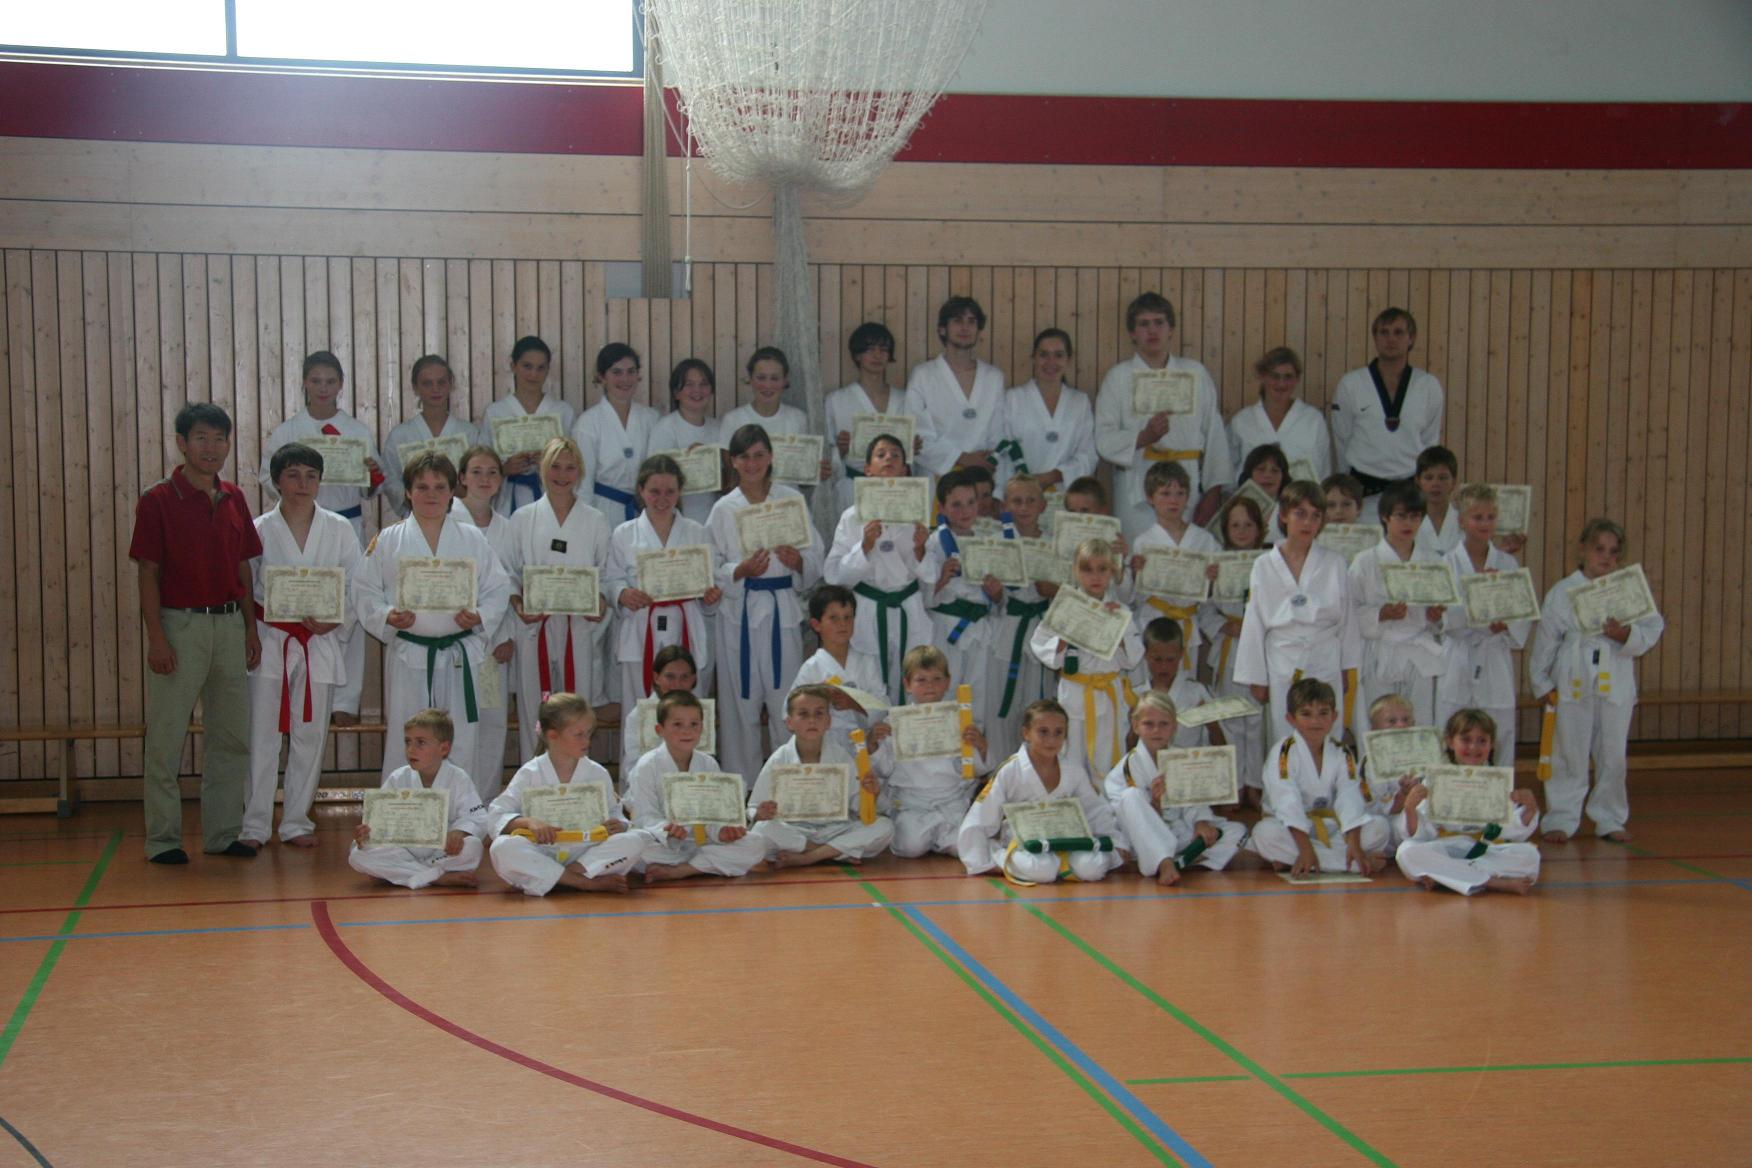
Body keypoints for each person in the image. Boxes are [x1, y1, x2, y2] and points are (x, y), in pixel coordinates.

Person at [130, 402, 263, 863]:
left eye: (219, 439)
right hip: (179, 625)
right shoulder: (157, 499)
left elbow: (243, 566)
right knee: (166, 738)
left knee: (231, 736)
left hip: (229, 625)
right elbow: (147, 572)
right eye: (201, 438)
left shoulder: (234, 497)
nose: (212, 447)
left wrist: (250, 628)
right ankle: (163, 839)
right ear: (181, 443)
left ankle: (222, 833)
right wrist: (157, 638)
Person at [354, 451, 512, 783]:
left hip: (459, 654)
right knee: (406, 735)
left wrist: (480, 616)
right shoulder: (388, 539)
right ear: (408, 492)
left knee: (461, 739)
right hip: (410, 653)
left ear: (453, 491)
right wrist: (387, 615)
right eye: (422, 487)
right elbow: (364, 589)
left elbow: (498, 587)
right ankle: (404, 808)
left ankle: (459, 809)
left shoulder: (472, 538)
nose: (431, 495)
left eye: (440, 487)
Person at [242, 442, 362, 848]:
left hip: (318, 640)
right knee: (262, 735)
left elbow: (356, 584)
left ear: (320, 481)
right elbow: (245, 586)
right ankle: (255, 824)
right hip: (271, 638)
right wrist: (249, 632)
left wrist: (336, 619)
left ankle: (296, 821)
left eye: (311, 475)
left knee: (310, 735)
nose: (303, 483)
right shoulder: (259, 528)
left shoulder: (339, 528)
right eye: (293, 475)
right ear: (277, 481)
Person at [260, 351, 384, 724]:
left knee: (347, 609)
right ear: (304, 382)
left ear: (341, 384)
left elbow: (371, 489)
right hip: (296, 525)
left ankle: (344, 701)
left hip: (344, 525)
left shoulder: (357, 431)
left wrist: (371, 476)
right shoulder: (287, 432)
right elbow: (267, 479)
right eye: (316, 380)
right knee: (301, 608)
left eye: (330, 381)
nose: (323, 388)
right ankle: (294, 690)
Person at [1528, 518, 1666, 843]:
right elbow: (1546, 640)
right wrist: (1542, 682)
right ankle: (1561, 817)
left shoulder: (1629, 588)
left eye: (1614, 552)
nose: (1606, 557)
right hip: (1573, 675)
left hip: (1614, 674)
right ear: (1583, 550)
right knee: (1568, 750)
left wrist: (1625, 634)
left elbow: (1652, 628)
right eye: (1599, 549)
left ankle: (1609, 817)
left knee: (1613, 752)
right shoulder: (1562, 591)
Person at [708, 424, 824, 783]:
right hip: (737, 615)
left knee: (784, 702)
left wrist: (798, 561)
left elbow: (816, 555)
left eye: (759, 455)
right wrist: (738, 570)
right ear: (733, 461)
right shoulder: (723, 509)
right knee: (738, 706)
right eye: (744, 456)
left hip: (780, 610)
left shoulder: (791, 500)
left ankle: (786, 783)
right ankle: (742, 787)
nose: (752, 463)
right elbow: (709, 566)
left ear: (771, 456)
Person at [503, 437, 613, 762]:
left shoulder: (595, 519)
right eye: (555, 466)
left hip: (577, 624)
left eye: (570, 467)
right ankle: (534, 776)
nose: (562, 475)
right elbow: (509, 572)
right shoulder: (523, 518)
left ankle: (577, 777)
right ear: (542, 469)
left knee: (578, 705)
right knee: (533, 706)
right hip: (534, 625)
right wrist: (518, 604)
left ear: (580, 472)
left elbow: (606, 574)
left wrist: (600, 601)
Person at [1094, 292, 1232, 542]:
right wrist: (1143, 437)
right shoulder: (1118, 377)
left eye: (1159, 322)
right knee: (1139, 554)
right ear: (1132, 333)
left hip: (1186, 481)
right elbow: (1104, 438)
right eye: (1143, 324)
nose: (1152, 330)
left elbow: (1215, 435)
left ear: (1171, 330)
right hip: (1137, 484)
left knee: (1186, 554)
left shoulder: (1195, 374)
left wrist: (1213, 492)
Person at [1235, 480, 1363, 743]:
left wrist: (1346, 668)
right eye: (1300, 514)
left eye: (1315, 516)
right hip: (1283, 657)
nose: (1308, 523)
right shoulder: (1263, 564)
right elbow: (1254, 620)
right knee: (1285, 737)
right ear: (1284, 515)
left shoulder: (1335, 562)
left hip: (1324, 655)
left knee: (1327, 734)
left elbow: (1348, 620)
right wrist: (1256, 676)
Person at [487, 694, 647, 895]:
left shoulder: (597, 772)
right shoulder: (530, 773)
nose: (586, 740)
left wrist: (619, 824)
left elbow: (615, 813)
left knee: (637, 839)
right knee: (502, 847)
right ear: (553, 735)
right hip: (543, 851)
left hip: (585, 852)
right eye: (578, 735)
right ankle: (585, 883)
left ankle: (558, 877)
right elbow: (496, 815)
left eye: (589, 733)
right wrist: (529, 822)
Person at [607, 453, 721, 723]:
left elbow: (711, 583)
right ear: (641, 491)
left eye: (670, 491)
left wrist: (710, 596)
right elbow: (610, 579)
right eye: (654, 491)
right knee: (639, 714)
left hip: (685, 626)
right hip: (640, 628)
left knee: (687, 714)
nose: (662, 499)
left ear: (680, 491)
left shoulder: (697, 532)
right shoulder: (624, 533)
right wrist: (622, 594)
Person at [957, 699, 1122, 884]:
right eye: (1043, 732)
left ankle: (1059, 864)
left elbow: (1095, 810)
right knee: (1043, 870)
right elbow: (982, 814)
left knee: (1092, 869)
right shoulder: (1010, 770)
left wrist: (1116, 843)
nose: (1051, 740)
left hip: (1066, 840)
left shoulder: (1074, 770)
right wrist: (979, 859)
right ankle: (1002, 857)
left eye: (1058, 732)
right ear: (1026, 733)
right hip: (1025, 843)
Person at [823, 433, 931, 701]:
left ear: (905, 470)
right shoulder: (852, 516)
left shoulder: (917, 512)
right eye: (881, 455)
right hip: (869, 609)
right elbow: (835, 576)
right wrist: (864, 547)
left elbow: (931, 575)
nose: (888, 459)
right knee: (869, 684)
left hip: (908, 607)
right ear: (868, 469)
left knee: (913, 680)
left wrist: (920, 549)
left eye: (896, 455)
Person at [1244, 678, 1388, 876]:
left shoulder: (1342, 752)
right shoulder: (1283, 752)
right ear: (1290, 719)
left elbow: (1349, 796)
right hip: (1290, 829)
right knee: (1264, 834)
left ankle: (1301, 860)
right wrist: (1305, 848)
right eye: (1306, 714)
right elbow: (1287, 801)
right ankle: (1352, 864)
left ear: (1334, 716)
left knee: (1380, 827)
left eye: (1323, 713)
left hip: (1330, 826)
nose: (1315, 721)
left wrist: (1354, 843)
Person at [1030, 538, 1144, 780]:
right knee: (1072, 755)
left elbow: (1132, 659)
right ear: (1075, 571)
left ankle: (1107, 801)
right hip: (1075, 692)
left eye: (1102, 569)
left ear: (1112, 572)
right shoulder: (1064, 607)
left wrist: (1117, 628)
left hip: (1109, 693)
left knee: (1108, 756)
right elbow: (1041, 646)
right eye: (1087, 569)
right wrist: (1065, 635)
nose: (1095, 577)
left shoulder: (1121, 612)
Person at [1104, 692, 1245, 884]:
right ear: (1136, 726)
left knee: (1237, 831)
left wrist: (1200, 822)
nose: (1156, 730)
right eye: (1148, 724)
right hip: (1143, 840)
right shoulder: (1125, 770)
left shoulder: (1181, 758)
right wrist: (1155, 804)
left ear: (1174, 726)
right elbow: (1130, 819)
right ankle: (1164, 862)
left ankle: (1183, 860)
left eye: (1164, 724)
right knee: (1131, 796)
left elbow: (1194, 799)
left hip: (1180, 832)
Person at [626, 691, 769, 881]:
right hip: (664, 844)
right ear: (660, 730)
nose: (687, 731)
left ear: (702, 727)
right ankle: (705, 864)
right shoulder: (646, 766)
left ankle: (684, 870)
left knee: (756, 843)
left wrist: (722, 831)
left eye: (694, 724)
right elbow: (644, 816)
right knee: (634, 844)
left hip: (703, 842)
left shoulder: (708, 764)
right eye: (677, 724)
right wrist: (667, 829)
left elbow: (716, 814)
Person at [1395, 708, 1540, 895]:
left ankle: (1447, 876)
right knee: (1406, 852)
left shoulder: (1498, 781)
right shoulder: (1435, 780)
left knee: (1530, 856)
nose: (1473, 747)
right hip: (1447, 848)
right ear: (1450, 742)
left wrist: (1530, 808)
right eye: (1466, 740)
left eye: (1482, 741)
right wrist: (1409, 808)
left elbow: (1512, 831)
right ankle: (1491, 882)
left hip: (1486, 849)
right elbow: (1420, 834)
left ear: (1492, 744)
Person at [748, 685, 894, 868]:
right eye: (803, 714)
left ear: (828, 721)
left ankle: (808, 857)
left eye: (819, 714)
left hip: (834, 829)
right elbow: (753, 807)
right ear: (789, 722)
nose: (812, 720)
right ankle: (830, 853)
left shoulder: (840, 756)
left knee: (885, 827)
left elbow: (858, 806)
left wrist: (871, 793)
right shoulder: (780, 758)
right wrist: (760, 813)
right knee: (762, 830)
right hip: (795, 830)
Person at [1438, 485, 1530, 766]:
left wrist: (1507, 625)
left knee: (1500, 730)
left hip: (1494, 654)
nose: (1485, 523)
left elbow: (1522, 612)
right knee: (1449, 728)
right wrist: (1476, 595)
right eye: (1477, 517)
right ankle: (1446, 790)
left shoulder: (1508, 563)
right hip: (1459, 654)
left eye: (1490, 517)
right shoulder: (1447, 562)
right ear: (1462, 521)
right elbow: (1445, 617)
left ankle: (1501, 791)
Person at [1349, 480, 1446, 744]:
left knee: (1420, 722)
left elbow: (1441, 612)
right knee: (1380, 722)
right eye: (1401, 516)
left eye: (1415, 517)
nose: (1408, 523)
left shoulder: (1433, 561)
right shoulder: (1365, 561)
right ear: (1385, 516)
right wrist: (1381, 614)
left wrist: (1435, 617)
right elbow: (1350, 612)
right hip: (1380, 650)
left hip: (1418, 650)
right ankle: (1377, 773)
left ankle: (1420, 772)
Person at [871, 645, 990, 858]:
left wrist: (980, 746)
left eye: (937, 679)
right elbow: (884, 769)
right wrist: (874, 744)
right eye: (921, 680)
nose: (930, 686)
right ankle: (931, 837)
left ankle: (941, 836)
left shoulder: (960, 719)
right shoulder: (895, 722)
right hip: (912, 804)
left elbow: (973, 770)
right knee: (910, 847)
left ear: (947, 682)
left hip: (951, 800)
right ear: (907, 684)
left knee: (962, 847)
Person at [348, 709, 488, 888]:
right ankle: (435, 876)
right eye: (408, 742)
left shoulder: (458, 777)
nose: (411, 749)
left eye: (420, 742)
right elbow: (380, 823)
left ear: (444, 748)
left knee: (472, 847)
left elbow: (477, 818)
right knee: (358, 854)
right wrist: (366, 834)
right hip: (404, 849)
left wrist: (459, 832)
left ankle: (399, 873)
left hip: (441, 851)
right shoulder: (398, 778)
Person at [1329, 308, 1444, 520]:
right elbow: (1342, 439)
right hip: (1363, 493)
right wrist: (1348, 490)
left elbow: (1430, 443)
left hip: (1410, 493)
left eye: (1398, 332)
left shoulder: (1428, 386)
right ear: (1375, 338)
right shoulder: (1352, 383)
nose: (1391, 339)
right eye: (1384, 332)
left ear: (1411, 338)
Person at [454, 445, 518, 801]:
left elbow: (511, 586)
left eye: (493, 472)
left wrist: (507, 635)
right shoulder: (446, 520)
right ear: (462, 478)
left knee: (492, 722)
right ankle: (458, 803)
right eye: (476, 471)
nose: (484, 479)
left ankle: (487, 803)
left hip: (494, 643)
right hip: (453, 638)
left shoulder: (507, 528)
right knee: (458, 723)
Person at [920, 469, 1004, 734]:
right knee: (945, 690)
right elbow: (922, 594)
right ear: (942, 508)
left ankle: (973, 754)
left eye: (971, 502)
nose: (965, 510)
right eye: (956, 504)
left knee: (977, 694)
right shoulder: (933, 543)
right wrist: (941, 579)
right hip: (946, 628)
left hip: (979, 627)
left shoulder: (987, 541)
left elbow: (999, 599)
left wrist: (996, 593)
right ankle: (944, 750)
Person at [985, 473, 1058, 761]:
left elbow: (1071, 595)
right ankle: (1002, 769)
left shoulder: (1054, 545)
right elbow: (990, 601)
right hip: (1007, 628)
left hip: (1042, 629)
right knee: (1001, 702)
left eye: (1031, 500)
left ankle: (1038, 767)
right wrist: (995, 595)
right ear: (1005, 505)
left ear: (1043, 505)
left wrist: (1054, 591)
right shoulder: (995, 543)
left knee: (1038, 702)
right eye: (1017, 501)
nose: (1024, 507)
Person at [826, 322, 937, 511]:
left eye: (883, 349)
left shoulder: (906, 399)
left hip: (900, 491)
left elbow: (925, 446)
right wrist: (840, 450)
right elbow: (826, 456)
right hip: (855, 489)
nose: (877, 355)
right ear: (857, 355)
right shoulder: (836, 400)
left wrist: (916, 448)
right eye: (870, 349)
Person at [907, 297, 1008, 478]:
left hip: (982, 475)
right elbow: (917, 438)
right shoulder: (923, 375)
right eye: (957, 320)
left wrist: (988, 461)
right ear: (942, 329)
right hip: (937, 477)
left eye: (971, 321)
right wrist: (961, 458)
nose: (965, 327)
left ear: (979, 330)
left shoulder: (994, 378)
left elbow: (998, 435)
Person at [1130, 460, 1221, 657]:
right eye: (1165, 493)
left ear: (1188, 497)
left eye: (1180, 493)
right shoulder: (1143, 542)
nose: (1173, 500)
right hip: (1152, 622)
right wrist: (1135, 574)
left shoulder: (1204, 540)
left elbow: (1213, 593)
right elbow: (1134, 595)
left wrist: (1214, 580)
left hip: (1187, 620)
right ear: (1150, 498)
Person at [789, 585, 888, 761]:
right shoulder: (811, 668)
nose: (842, 624)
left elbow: (883, 708)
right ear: (816, 625)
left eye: (847, 617)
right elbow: (788, 712)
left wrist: (854, 704)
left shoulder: (868, 662)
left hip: (864, 745)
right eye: (833, 618)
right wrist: (819, 698)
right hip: (825, 747)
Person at [482, 335, 577, 515]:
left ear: (548, 370)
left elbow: (576, 463)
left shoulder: (563, 412)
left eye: (541, 368)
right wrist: (504, 469)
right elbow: (481, 464)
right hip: (507, 502)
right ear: (513, 366)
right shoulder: (496, 412)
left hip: (552, 499)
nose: (534, 374)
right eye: (527, 366)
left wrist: (551, 464)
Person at [1000, 328, 1097, 503]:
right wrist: (1013, 490)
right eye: (1044, 354)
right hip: (1021, 498)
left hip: (1067, 497)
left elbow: (1088, 455)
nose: (1051, 362)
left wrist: (1052, 476)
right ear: (1034, 358)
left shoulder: (1079, 402)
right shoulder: (1014, 398)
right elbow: (1004, 452)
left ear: (1068, 360)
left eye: (1058, 355)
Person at [718, 347, 836, 490]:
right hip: (748, 503)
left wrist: (816, 473)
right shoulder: (733, 420)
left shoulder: (799, 419)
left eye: (775, 378)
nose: (768, 385)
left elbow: (802, 483)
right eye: (761, 378)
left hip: (790, 502)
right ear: (750, 379)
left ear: (785, 381)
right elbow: (731, 478)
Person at [382, 354, 478, 516]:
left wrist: (463, 491)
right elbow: (391, 481)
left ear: (450, 384)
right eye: (427, 383)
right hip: (416, 517)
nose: (435, 389)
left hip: (461, 517)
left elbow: (479, 476)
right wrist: (417, 495)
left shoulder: (469, 433)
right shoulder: (399, 436)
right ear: (415, 387)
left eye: (441, 382)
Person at [573, 343, 658, 525]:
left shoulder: (651, 418)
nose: (625, 379)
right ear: (602, 377)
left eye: (631, 371)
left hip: (645, 510)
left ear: (638, 375)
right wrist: (585, 524)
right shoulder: (588, 423)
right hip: (602, 510)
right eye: (616, 372)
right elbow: (582, 484)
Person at [1228, 347, 1332, 483]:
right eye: (1275, 376)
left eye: (1288, 377)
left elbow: (1324, 473)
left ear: (1297, 379)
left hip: (1302, 496)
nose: (1281, 384)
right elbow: (1228, 470)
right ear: (1262, 376)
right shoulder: (1242, 421)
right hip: (1253, 496)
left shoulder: (1313, 420)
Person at [648, 358, 722, 525]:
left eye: (703, 384)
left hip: (713, 516)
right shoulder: (665, 429)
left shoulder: (718, 428)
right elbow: (655, 478)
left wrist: (711, 460)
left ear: (711, 390)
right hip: (676, 518)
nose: (697, 390)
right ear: (676, 393)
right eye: (689, 384)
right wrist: (697, 460)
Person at [622, 645, 704, 774]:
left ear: (693, 679)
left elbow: (706, 764)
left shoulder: (702, 712)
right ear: (656, 677)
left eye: (684, 677)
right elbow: (632, 769)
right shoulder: (638, 716)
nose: (677, 684)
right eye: (670, 676)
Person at [1359, 693, 1422, 845]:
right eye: (1392, 721)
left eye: (1406, 720)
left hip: (1419, 819)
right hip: (1389, 824)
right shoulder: (1371, 763)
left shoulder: (1424, 754)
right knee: (1378, 827)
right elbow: (1379, 810)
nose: (1401, 725)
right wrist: (1404, 794)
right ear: (1374, 730)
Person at [1411, 446, 1461, 556]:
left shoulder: (1465, 521)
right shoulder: (1408, 522)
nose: (1435, 484)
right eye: (1428, 478)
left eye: (1442, 478)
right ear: (1417, 481)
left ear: (1454, 482)